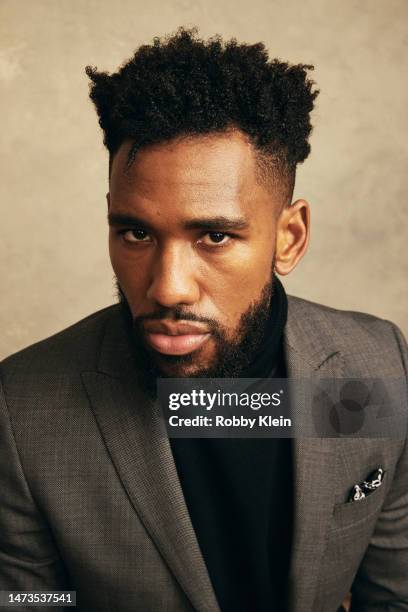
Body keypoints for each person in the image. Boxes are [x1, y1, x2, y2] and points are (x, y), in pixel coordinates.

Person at [0, 27, 407, 612]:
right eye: (136, 232)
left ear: (288, 238)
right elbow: (28, 603)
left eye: (215, 236)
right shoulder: (23, 411)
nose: (167, 287)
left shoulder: (379, 364)